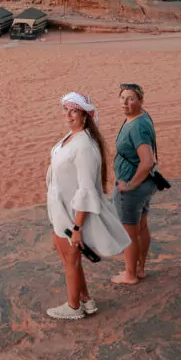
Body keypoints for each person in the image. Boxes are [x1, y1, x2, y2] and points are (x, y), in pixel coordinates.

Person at [45, 92, 130, 320]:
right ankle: (85, 300)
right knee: (67, 257)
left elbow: (86, 190)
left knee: (70, 261)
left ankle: (73, 308)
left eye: (74, 111)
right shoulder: (72, 137)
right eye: (66, 110)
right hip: (59, 209)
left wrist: (77, 227)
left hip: (71, 214)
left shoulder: (84, 146)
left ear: (85, 116)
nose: (68, 115)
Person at [112, 83, 159, 285]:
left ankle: (130, 274)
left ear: (140, 101)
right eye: (122, 98)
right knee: (141, 226)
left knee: (129, 232)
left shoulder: (137, 127)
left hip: (134, 188)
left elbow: (147, 161)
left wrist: (130, 185)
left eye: (131, 98)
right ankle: (139, 268)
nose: (125, 102)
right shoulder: (140, 117)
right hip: (146, 184)